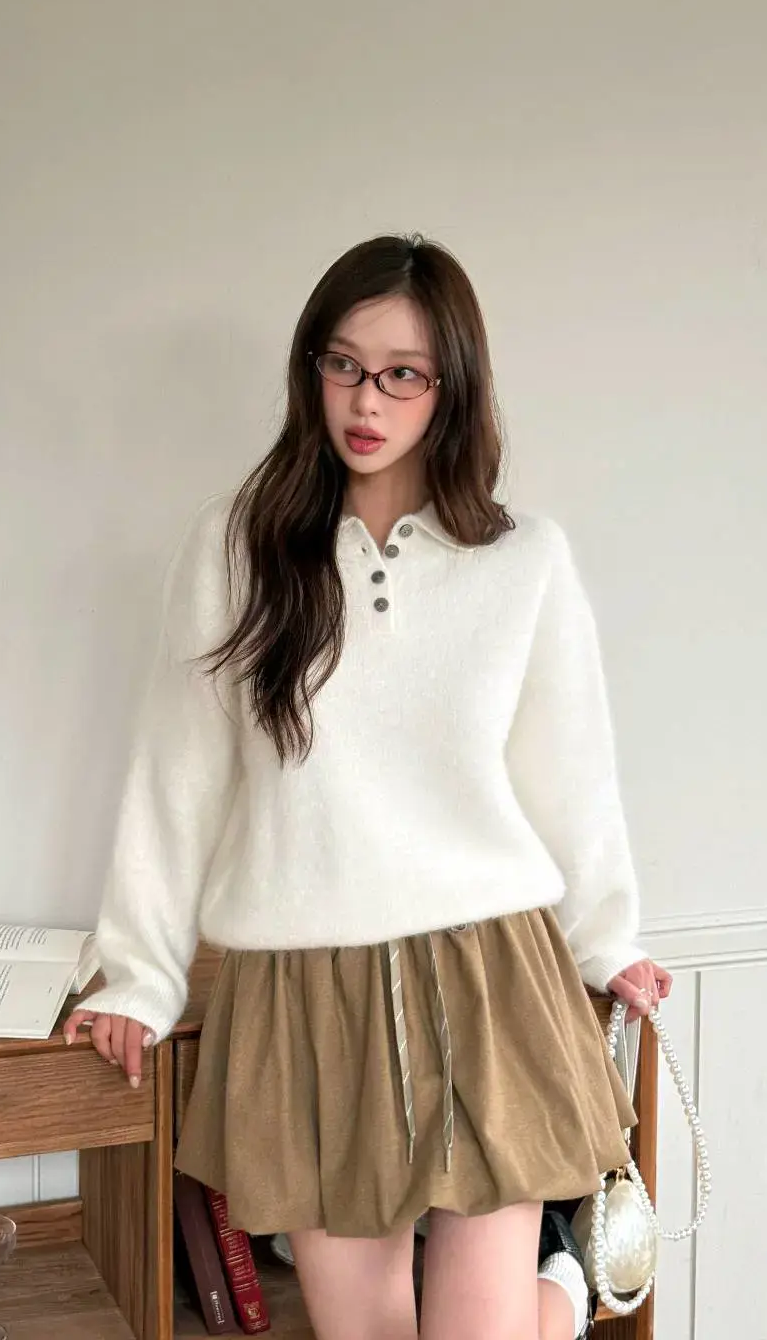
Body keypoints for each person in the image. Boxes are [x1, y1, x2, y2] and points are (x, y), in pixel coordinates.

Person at [64, 235, 673, 1340]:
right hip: (305, 993)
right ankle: (559, 1299)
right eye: (342, 364)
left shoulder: (523, 558)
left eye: (403, 374)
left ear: (453, 387)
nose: (365, 400)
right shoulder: (240, 547)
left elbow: (570, 771)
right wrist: (139, 976)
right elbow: (177, 771)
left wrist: (607, 939)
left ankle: (554, 1291)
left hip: (489, 976)